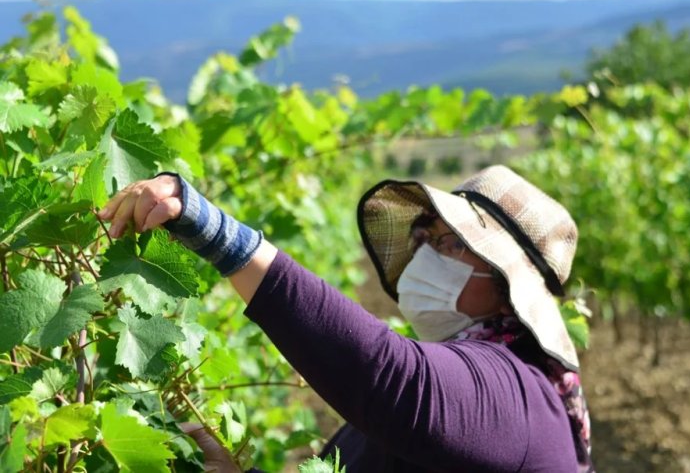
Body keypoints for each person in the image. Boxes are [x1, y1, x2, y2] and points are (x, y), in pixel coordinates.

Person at [99, 165, 593, 472]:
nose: (428, 256)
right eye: (429, 239)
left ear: (507, 286)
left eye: (450, 244)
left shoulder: (520, 397)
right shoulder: (475, 391)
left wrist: (223, 239)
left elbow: (392, 378)